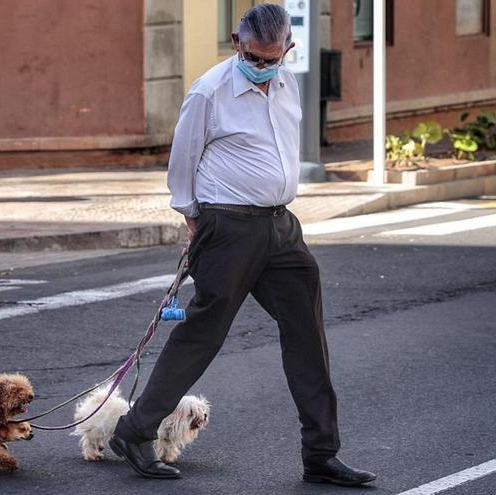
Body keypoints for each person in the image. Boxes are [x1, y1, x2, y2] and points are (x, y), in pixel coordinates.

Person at [109, 4, 376, 487]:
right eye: (254, 56)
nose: (262, 66)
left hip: (280, 228)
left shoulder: (286, 81)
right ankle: (135, 430)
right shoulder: (209, 92)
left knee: (307, 333)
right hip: (227, 226)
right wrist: (195, 219)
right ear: (237, 42)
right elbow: (182, 163)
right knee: (203, 334)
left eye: (273, 58)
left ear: (286, 50)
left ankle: (321, 453)